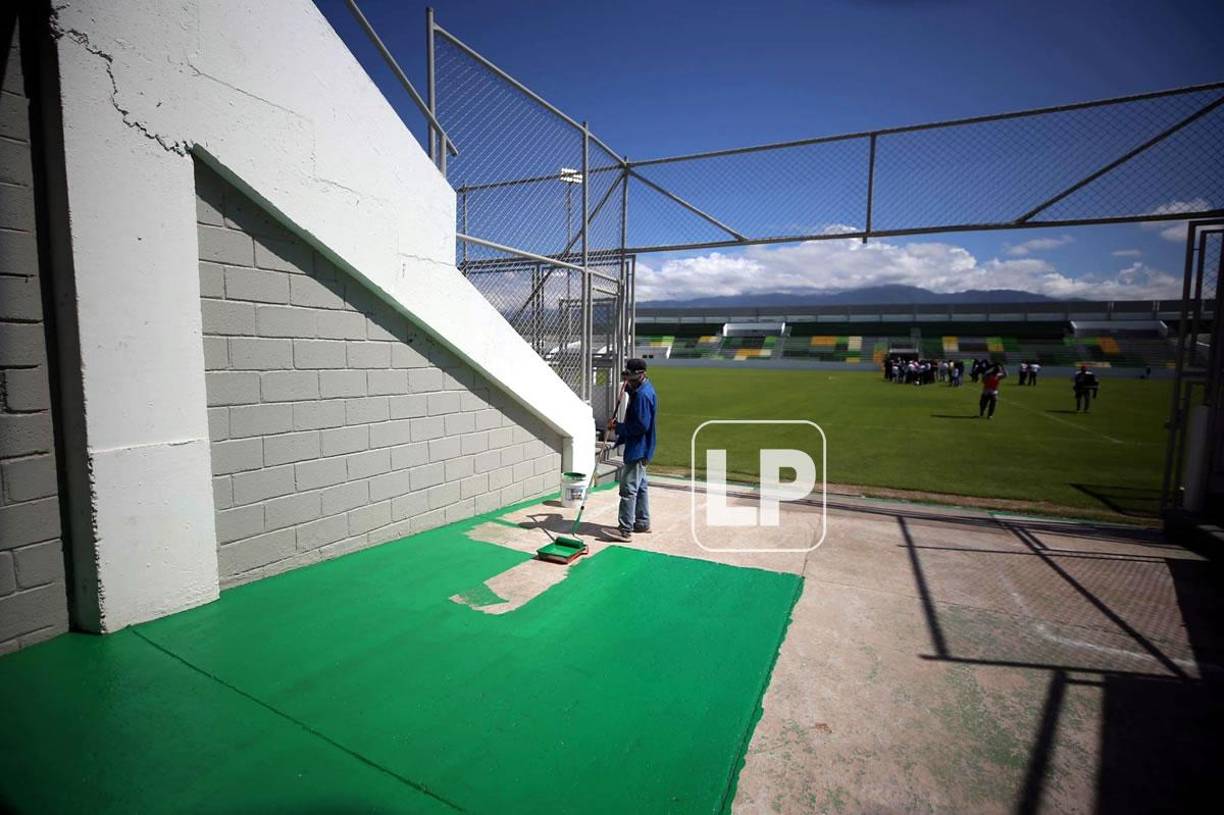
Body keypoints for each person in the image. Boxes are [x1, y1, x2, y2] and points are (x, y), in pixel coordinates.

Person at [611, 358, 657, 541]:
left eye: (631, 377)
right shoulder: (641, 389)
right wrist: (627, 389)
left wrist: (618, 427)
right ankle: (642, 522)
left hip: (638, 448)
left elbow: (641, 426)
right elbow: (633, 390)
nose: (628, 381)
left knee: (628, 489)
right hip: (643, 447)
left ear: (642, 374)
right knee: (641, 486)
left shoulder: (643, 396)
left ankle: (625, 529)